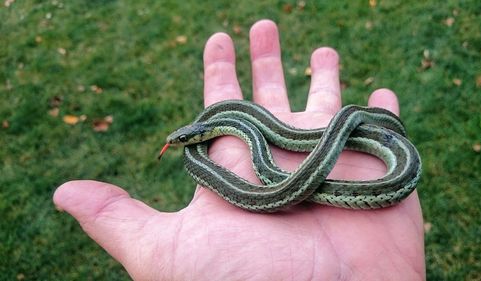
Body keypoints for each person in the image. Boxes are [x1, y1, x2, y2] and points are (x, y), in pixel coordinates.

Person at [53, 19, 425, 280]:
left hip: (363, 166)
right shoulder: (226, 131)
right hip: (277, 164)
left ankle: (350, 121)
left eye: (184, 140)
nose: (181, 145)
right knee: (290, 163)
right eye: (183, 141)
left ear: (200, 135)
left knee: (332, 130)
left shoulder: (239, 131)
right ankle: (347, 123)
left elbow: (270, 159)